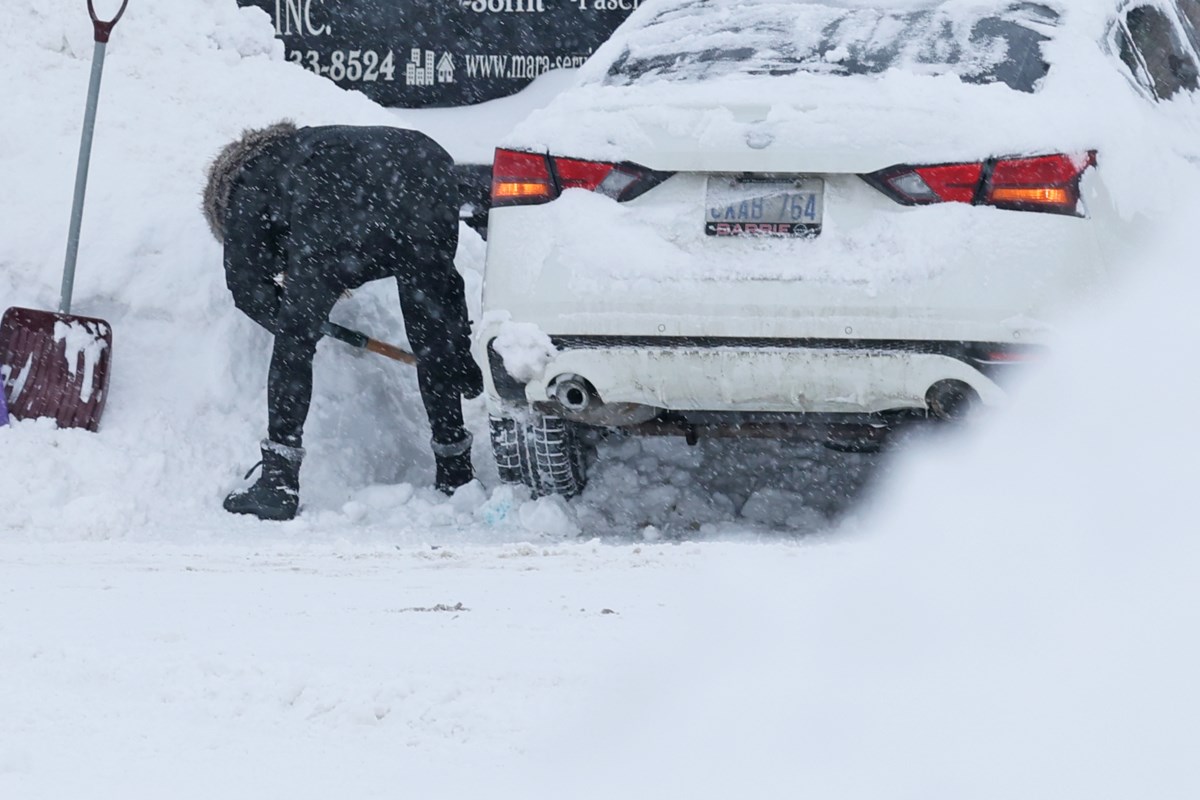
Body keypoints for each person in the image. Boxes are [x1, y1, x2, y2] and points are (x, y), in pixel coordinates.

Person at [202, 121, 483, 521]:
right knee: (431, 315)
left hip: (333, 193)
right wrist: (456, 346)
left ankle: (278, 482)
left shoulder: (244, 184)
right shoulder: (302, 147)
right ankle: (456, 466)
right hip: (425, 164)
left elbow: (247, 287)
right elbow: (448, 286)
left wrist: (298, 317)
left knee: (293, 343)